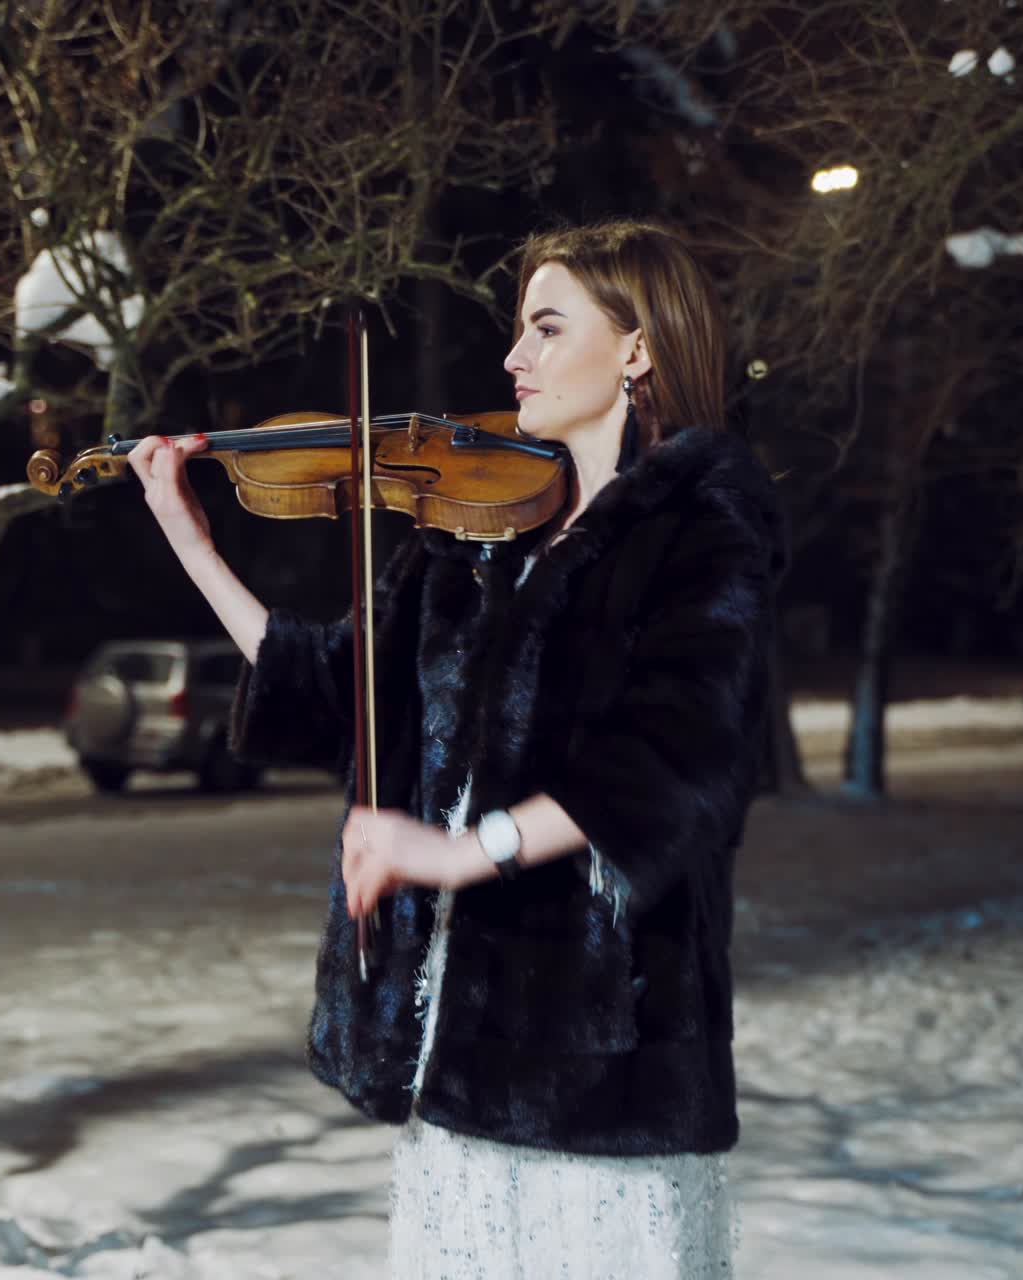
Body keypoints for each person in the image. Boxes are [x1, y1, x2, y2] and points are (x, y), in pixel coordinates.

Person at [128, 219, 784, 1279]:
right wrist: (189, 541)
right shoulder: (474, 533)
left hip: (598, 1064)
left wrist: (464, 848)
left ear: (637, 348)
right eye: (518, 328)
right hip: (450, 1058)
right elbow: (339, 690)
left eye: (547, 327)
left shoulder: (699, 525)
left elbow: (679, 760)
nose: (514, 356)